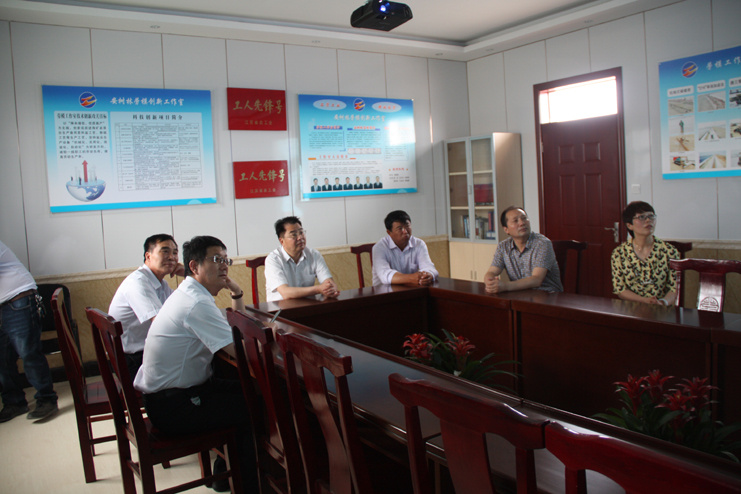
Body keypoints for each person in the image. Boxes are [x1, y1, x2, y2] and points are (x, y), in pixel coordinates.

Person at [133, 235, 257, 492]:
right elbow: (240, 351)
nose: (224, 266)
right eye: (216, 259)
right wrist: (273, 341)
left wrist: (236, 291)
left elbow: (235, 331)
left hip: (177, 395)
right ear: (194, 266)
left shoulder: (191, 293)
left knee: (254, 391)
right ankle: (247, 484)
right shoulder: (195, 302)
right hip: (174, 407)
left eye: (226, 260)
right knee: (256, 405)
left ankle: (226, 475)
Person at [108, 234, 182, 380]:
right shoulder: (139, 283)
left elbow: (184, 306)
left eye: (175, 252)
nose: (172, 257)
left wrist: (189, 275)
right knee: (202, 361)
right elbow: (162, 324)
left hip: (146, 353)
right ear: (148, 256)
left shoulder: (160, 283)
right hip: (135, 361)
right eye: (165, 251)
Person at [0, 240, 58, 423]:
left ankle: (47, 399)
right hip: (5, 305)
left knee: (28, 353)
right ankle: (14, 402)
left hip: (19, 300)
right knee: (3, 357)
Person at [611, 201, 679, 305]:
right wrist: (644, 301)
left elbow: (675, 288)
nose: (648, 220)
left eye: (651, 216)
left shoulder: (669, 251)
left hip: (661, 308)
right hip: (631, 309)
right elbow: (620, 290)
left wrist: (662, 302)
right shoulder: (619, 253)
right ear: (629, 225)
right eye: (641, 217)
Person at [484, 206, 563, 294]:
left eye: (524, 218)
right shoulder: (503, 246)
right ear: (506, 229)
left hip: (548, 295)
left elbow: (537, 280)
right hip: (520, 294)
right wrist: (490, 283)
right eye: (515, 221)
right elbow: (491, 271)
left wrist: (505, 286)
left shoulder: (542, 243)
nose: (522, 223)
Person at [264, 216, 339, 301]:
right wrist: (318, 289)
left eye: (301, 232)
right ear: (282, 241)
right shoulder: (273, 260)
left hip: (308, 305)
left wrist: (331, 288)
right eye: (294, 235)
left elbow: (329, 282)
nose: (300, 237)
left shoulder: (314, 255)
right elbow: (285, 293)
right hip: (280, 307)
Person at [372, 210, 438, 286]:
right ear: (389, 232)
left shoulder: (419, 244)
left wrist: (427, 276)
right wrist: (411, 278)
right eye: (400, 228)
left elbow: (430, 268)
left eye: (407, 226)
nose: (405, 231)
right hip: (384, 291)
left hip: (410, 289)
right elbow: (385, 276)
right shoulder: (379, 248)